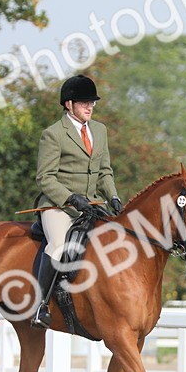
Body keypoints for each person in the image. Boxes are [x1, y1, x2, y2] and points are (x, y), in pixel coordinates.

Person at [31, 74, 123, 329]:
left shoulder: (100, 131)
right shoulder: (53, 134)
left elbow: (104, 171)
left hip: (92, 204)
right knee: (59, 246)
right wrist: (70, 198)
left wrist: (113, 197)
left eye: (92, 102)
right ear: (68, 104)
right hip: (58, 205)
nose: (90, 107)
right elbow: (45, 178)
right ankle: (41, 306)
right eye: (84, 102)